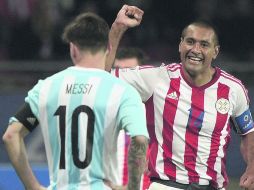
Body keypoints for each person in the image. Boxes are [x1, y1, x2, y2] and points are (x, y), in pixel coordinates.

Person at [105, 5, 254, 190]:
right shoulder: (157, 78)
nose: (196, 49)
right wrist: (118, 27)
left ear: (215, 51)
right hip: (165, 184)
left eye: (204, 44)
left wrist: (252, 168)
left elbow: (248, 132)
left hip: (212, 186)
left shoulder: (233, 89)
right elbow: (102, 77)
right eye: (190, 42)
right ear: (180, 45)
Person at [2, 11, 149, 190]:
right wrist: (131, 188)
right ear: (109, 48)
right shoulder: (122, 91)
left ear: (73, 48)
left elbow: (11, 136)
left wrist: (32, 186)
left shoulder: (46, 88)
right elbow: (140, 140)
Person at [114, 47, 151, 190]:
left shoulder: (157, 111)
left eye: (129, 72)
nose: (122, 78)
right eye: (117, 70)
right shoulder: (101, 110)